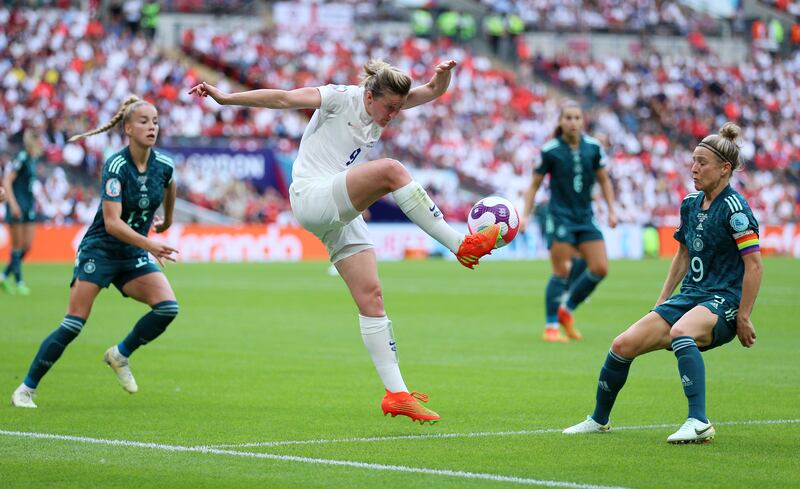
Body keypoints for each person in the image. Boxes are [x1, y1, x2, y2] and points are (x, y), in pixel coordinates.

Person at [189, 59, 500, 424]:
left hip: (334, 206)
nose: (394, 115)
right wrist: (225, 98)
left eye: (399, 108)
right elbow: (283, 98)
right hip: (311, 194)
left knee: (372, 298)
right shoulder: (340, 97)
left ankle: (397, 394)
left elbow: (432, 92)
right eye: (389, 108)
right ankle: (461, 244)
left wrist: (442, 77)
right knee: (391, 170)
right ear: (369, 96)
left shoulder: (385, 104)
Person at [563, 123, 762, 443]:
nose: (694, 168)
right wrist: (662, 301)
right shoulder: (690, 204)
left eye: (702, 162)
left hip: (722, 300)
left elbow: (754, 265)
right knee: (622, 345)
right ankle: (598, 420)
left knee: (681, 332)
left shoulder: (736, 210)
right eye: (693, 161)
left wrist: (743, 315)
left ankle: (699, 421)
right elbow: (682, 255)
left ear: (725, 169)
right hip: (691, 297)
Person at [11, 95, 180, 408]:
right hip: (100, 250)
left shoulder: (164, 165)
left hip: (131, 254)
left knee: (168, 308)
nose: (152, 127)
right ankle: (25, 389)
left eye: (155, 121)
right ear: (127, 128)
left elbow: (171, 185)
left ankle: (120, 354)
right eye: (144, 121)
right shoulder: (116, 166)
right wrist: (151, 244)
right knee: (74, 322)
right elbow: (113, 224)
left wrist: (166, 222)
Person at [520, 101, 617, 342]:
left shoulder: (594, 148)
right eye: (568, 118)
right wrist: (525, 214)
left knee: (600, 268)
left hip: (585, 217)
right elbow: (534, 185)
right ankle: (551, 326)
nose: (573, 122)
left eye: (577, 118)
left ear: (582, 121)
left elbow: (604, 180)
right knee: (562, 270)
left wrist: (612, 210)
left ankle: (567, 310)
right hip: (559, 216)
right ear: (561, 122)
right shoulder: (551, 150)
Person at [1, 129, 44, 295]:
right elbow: (7, 180)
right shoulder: (22, 158)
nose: (42, 144)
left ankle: (4, 276)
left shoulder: (32, 160)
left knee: (27, 246)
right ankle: (19, 281)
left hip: (28, 206)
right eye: (40, 141)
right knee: (17, 246)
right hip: (17, 206)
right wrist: (12, 204)